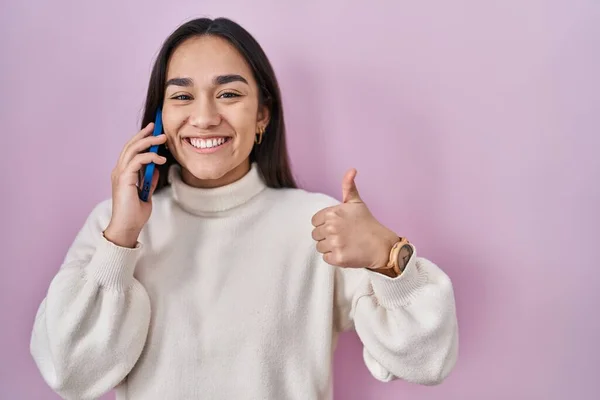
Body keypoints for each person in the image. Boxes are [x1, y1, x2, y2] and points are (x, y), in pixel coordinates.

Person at [29, 17, 458, 400]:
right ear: (159, 117)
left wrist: (388, 257)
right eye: (181, 97)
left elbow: (428, 361)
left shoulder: (319, 225)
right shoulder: (112, 228)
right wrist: (121, 239)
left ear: (262, 117)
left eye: (228, 93)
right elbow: (69, 374)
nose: (204, 116)